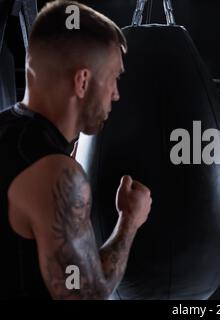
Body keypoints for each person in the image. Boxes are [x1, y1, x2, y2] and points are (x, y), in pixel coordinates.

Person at [0, 0, 152, 299]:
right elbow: (87, 293)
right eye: (113, 78)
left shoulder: (10, 134)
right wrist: (130, 221)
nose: (117, 94)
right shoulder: (55, 174)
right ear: (83, 81)